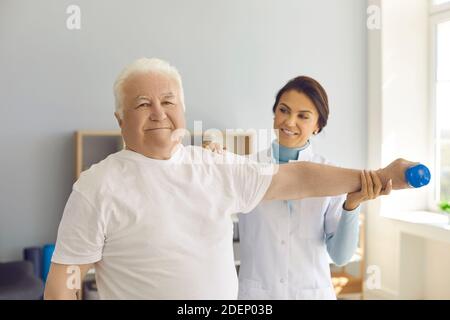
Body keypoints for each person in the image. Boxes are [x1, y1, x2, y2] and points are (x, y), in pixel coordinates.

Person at [44, 58, 416, 300]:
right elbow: (65, 280)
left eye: (168, 101)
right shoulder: (97, 186)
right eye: (142, 104)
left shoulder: (217, 168)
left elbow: (300, 178)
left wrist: (379, 176)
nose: (158, 113)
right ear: (121, 119)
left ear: (183, 110)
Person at [231, 76, 385, 300]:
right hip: (258, 296)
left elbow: (340, 256)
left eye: (303, 116)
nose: (289, 122)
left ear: (318, 125)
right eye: (284, 110)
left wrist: (352, 205)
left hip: (311, 293)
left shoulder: (331, 175)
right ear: (275, 114)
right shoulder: (246, 169)